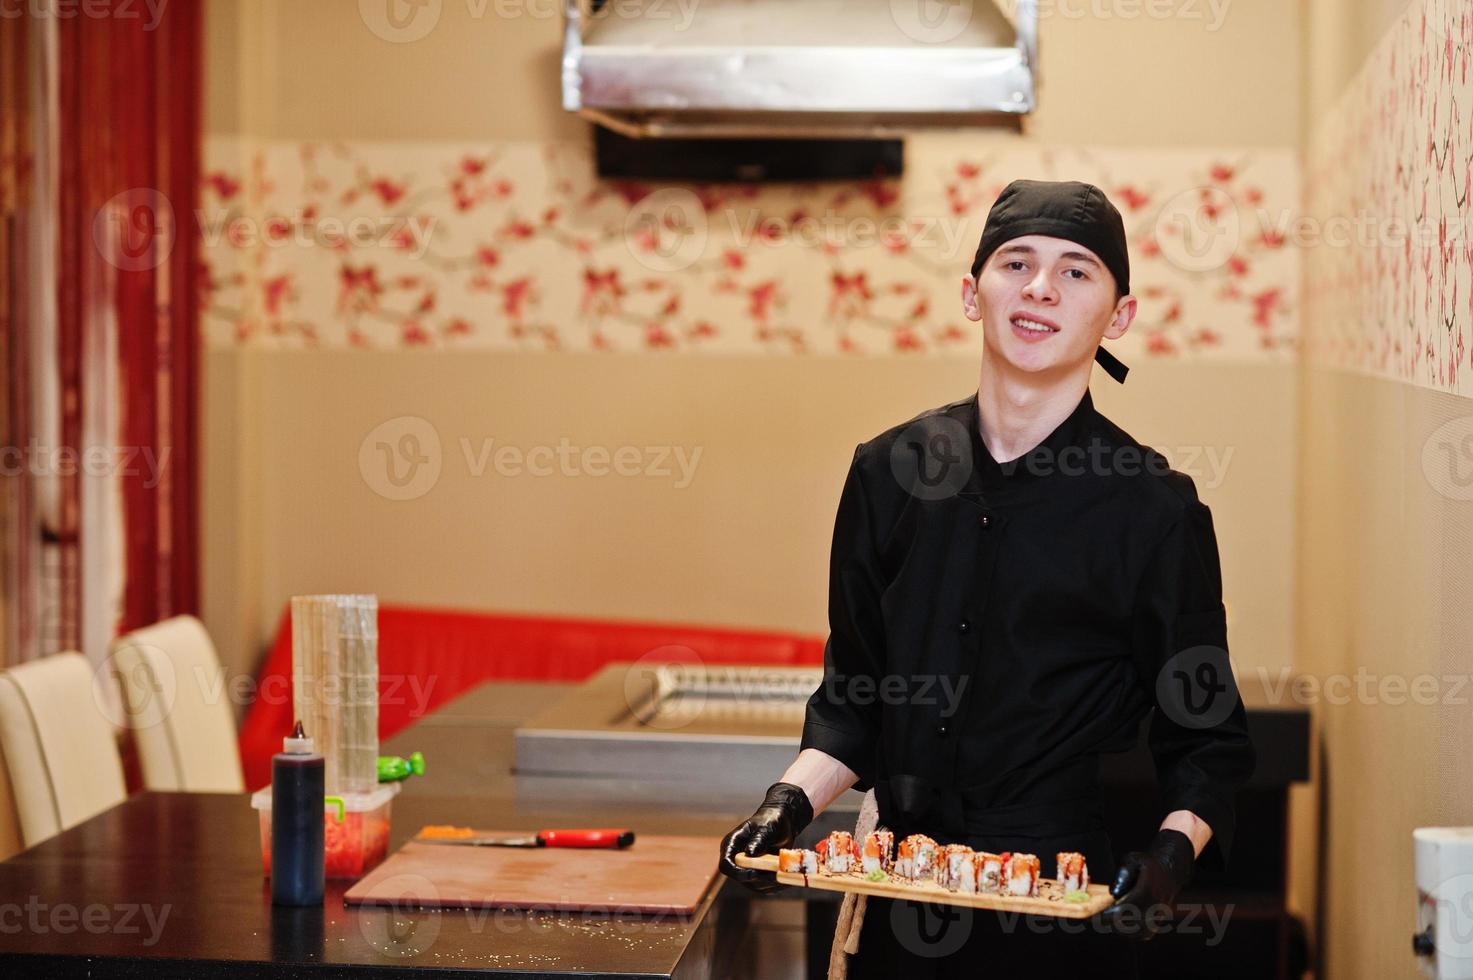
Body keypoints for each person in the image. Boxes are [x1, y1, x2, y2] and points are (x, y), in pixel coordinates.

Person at [718, 179, 1256, 977]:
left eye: (1077, 272)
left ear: (1119, 317)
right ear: (973, 294)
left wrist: (1169, 859)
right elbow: (852, 696)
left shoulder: (1152, 511)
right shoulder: (887, 472)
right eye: (1016, 264)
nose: (1040, 288)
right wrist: (785, 803)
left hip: (1052, 903)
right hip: (897, 889)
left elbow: (1207, 743)